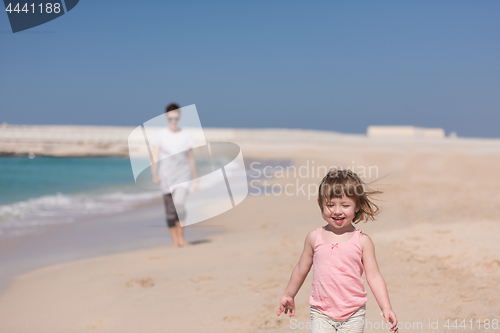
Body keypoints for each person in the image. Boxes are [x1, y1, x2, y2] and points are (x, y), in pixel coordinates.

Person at [277, 168, 398, 333]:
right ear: (321, 203)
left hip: (353, 313)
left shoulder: (362, 241)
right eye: (330, 205)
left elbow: (374, 277)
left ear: (357, 207)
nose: (337, 211)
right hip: (321, 312)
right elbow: (301, 268)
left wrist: (386, 307)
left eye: (345, 205)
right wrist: (289, 294)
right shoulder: (314, 237)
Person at [150, 103, 199, 248]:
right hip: (166, 177)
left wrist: (195, 179)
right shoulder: (160, 135)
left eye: (176, 118)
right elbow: (155, 156)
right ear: (166, 117)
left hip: (183, 175)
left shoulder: (186, 135)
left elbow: (191, 158)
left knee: (179, 204)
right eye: (171, 118)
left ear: (180, 117)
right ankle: (175, 240)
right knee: (170, 211)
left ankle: (182, 238)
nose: (173, 121)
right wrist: (154, 173)